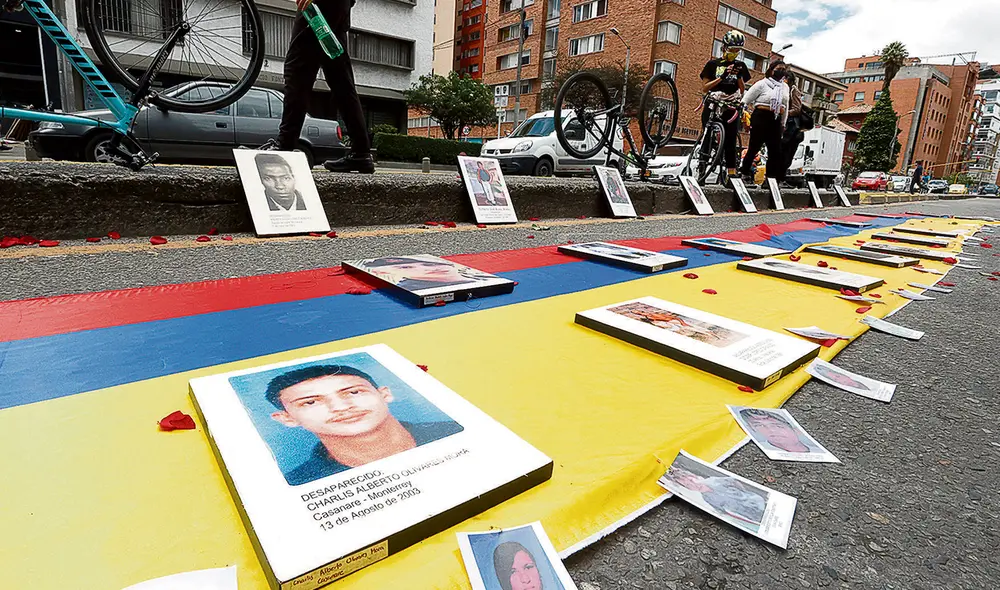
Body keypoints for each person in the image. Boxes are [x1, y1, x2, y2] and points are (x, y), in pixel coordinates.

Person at [267, 364, 463, 485]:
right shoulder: (297, 483)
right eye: (310, 402)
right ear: (287, 418)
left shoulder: (454, 430)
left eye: (354, 392)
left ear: (384, 394)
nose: (341, 407)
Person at [274, 0, 374, 173]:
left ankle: (284, 145)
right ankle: (361, 152)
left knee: (298, 70)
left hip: (320, 4)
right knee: (339, 77)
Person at [699, 30, 752, 180]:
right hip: (714, 102)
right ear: (724, 47)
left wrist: (738, 76)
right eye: (732, 49)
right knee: (707, 134)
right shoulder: (712, 64)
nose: (734, 53)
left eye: (737, 51)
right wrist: (722, 77)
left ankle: (731, 172)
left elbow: (742, 89)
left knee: (730, 138)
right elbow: (705, 88)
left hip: (731, 104)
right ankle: (702, 167)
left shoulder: (740, 65)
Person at [740, 61, 791, 184]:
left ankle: (770, 179)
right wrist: (743, 116)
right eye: (779, 68)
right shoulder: (762, 84)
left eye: (784, 69)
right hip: (761, 117)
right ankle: (745, 173)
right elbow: (745, 100)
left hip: (776, 119)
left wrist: (783, 123)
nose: (782, 71)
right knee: (754, 147)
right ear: (771, 70)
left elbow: (786, 106)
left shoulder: (785, 87)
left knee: (775, 150)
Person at [668, 464, 766, 525]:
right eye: (688, 485)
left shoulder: (714, 481)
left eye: (691, 480)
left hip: (756, 502)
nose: (694, 485)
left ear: (695, 476)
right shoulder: (706, 498)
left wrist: (744, 492)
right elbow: (722, 512)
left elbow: (734, 481)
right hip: (750, 515)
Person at [364, 256, 494, 291]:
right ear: (381, 272)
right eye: (407, 267)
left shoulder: (481, 278)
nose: (425, 269)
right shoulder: (415, 289)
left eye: (428, 264)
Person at [740, 408, 811, 453]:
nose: (771, 430)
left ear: (795, 429)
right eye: (760, 426)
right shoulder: (761, 450)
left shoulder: (813, 447)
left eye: (777, 425)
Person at [780, 70, 805, 180]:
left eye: (785, 78)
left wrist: (784, 112)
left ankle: (780, 177)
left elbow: (797, 109)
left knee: (786, 153)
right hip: (784, 124)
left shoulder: (793, 90)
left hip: (791, 128)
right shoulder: (781, 89)